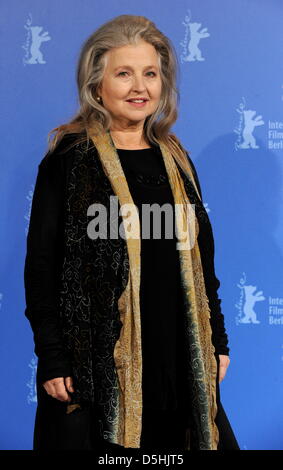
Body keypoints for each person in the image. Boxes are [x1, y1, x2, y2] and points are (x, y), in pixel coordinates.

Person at [24, 14, 240, 451]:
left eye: (151, 74)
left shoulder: (176, 159)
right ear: (96, 85)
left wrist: (217, 340)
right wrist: (53, 357)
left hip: (178, 360)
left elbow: (203, 262)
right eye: (124, 74)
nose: (140, 87)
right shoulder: (70, 158)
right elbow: (42, 267)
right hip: (96, 368)